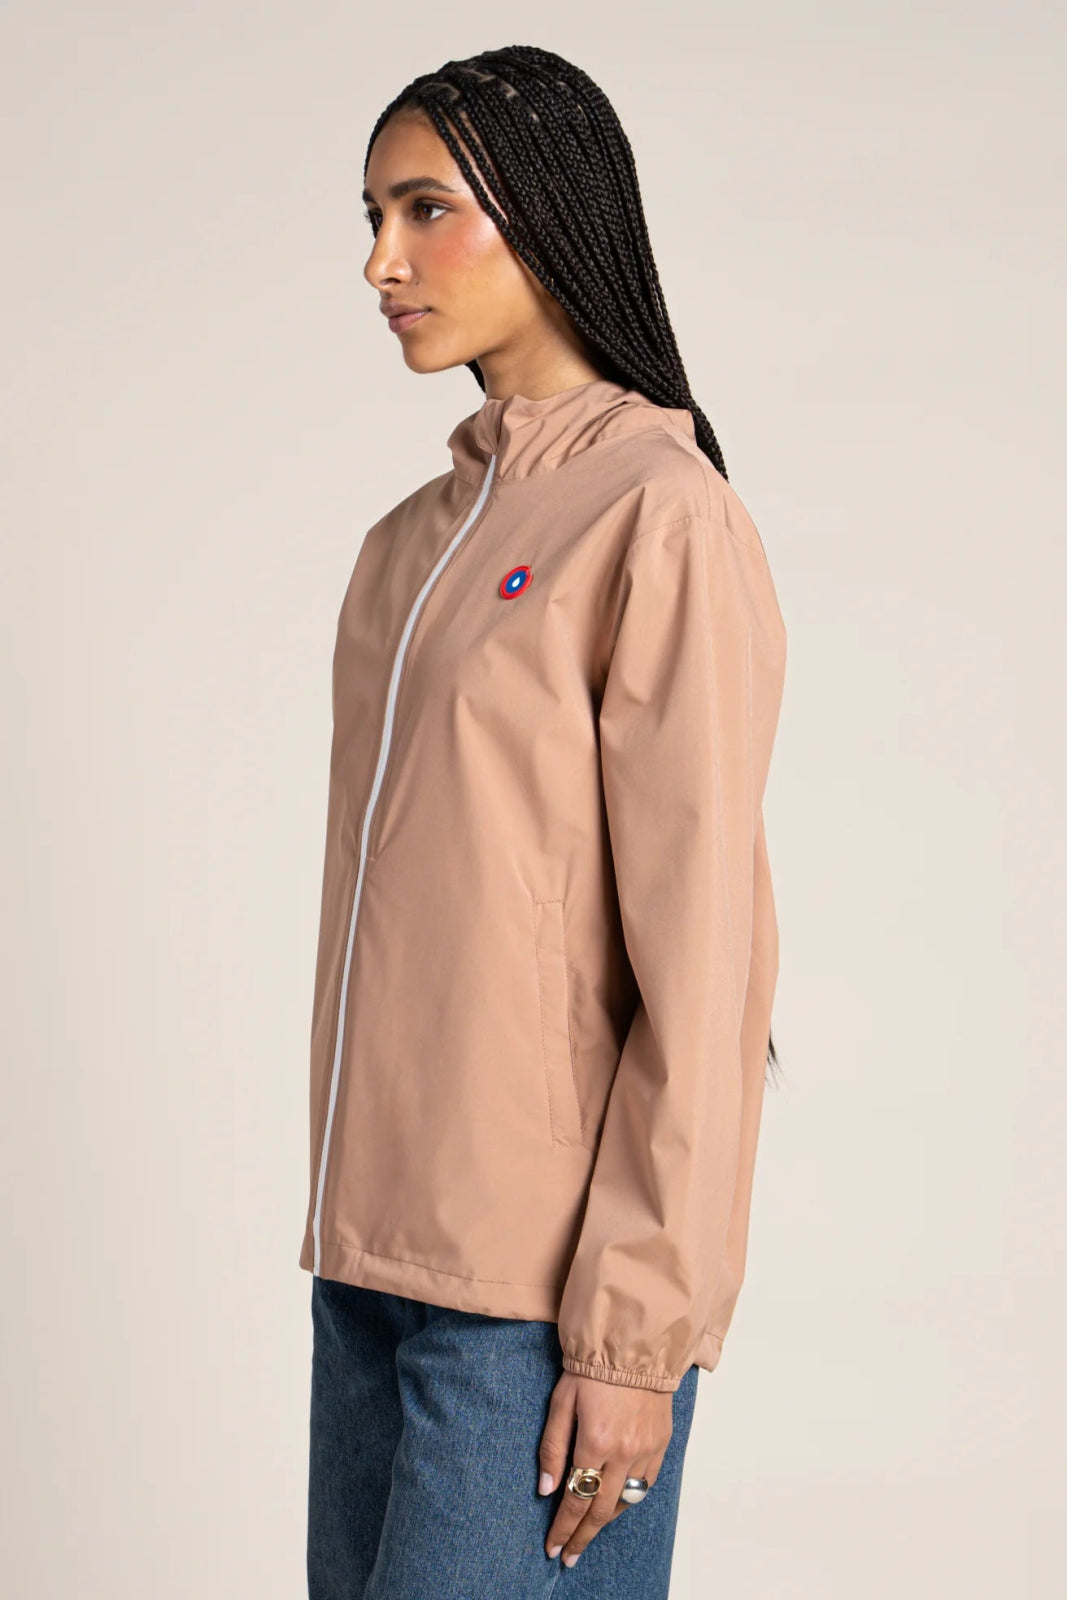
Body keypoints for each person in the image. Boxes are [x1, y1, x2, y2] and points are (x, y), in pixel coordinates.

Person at [301, 44, 788, 1600]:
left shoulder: (660, 512)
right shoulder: (407, 546)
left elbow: (703, 961)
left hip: (537, 1312)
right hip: (365, 1282)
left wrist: (636, 1339)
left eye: (424, 210)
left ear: (545, 212)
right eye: (372, 217)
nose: (381, 263)